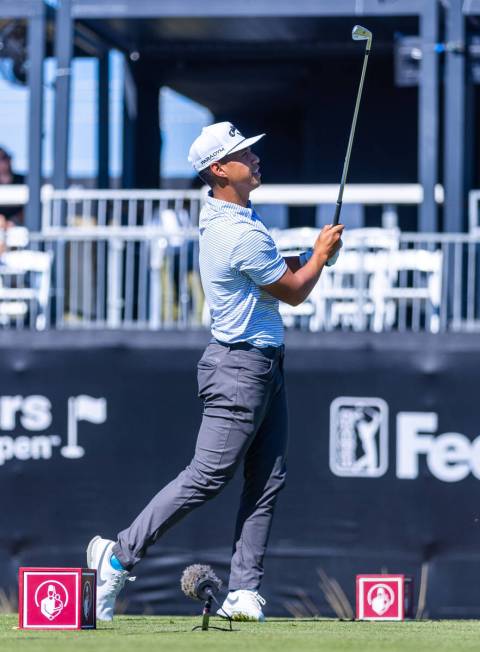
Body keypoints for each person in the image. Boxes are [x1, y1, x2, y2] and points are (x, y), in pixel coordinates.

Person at [86, 121, 344, 622]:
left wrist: (313, 259)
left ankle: (244, 591)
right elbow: (293, 290)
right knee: (208, 476)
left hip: (264, 361)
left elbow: (277, 272)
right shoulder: (235, 228)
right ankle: (116, 556)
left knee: (267, 479)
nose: (254, 158)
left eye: (250, 150)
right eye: (242, 154)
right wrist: (318, 256)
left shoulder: (237, 217)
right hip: (240, 366)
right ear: (218, 170)